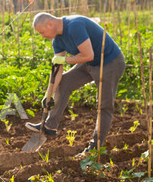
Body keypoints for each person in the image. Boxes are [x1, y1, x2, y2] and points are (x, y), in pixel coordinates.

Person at [26, 12, 126, 155]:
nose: (42, 36)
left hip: (109, 63)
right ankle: (50, 125)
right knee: (64, 83)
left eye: (42, 32)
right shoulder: (57, 40)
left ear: (50, 24)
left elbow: (88, 54)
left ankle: (94, 148)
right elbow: (57, 69)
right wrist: (49, 95)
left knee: (103, 106)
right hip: (89, 63)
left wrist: (65, 60)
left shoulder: (74, 26)